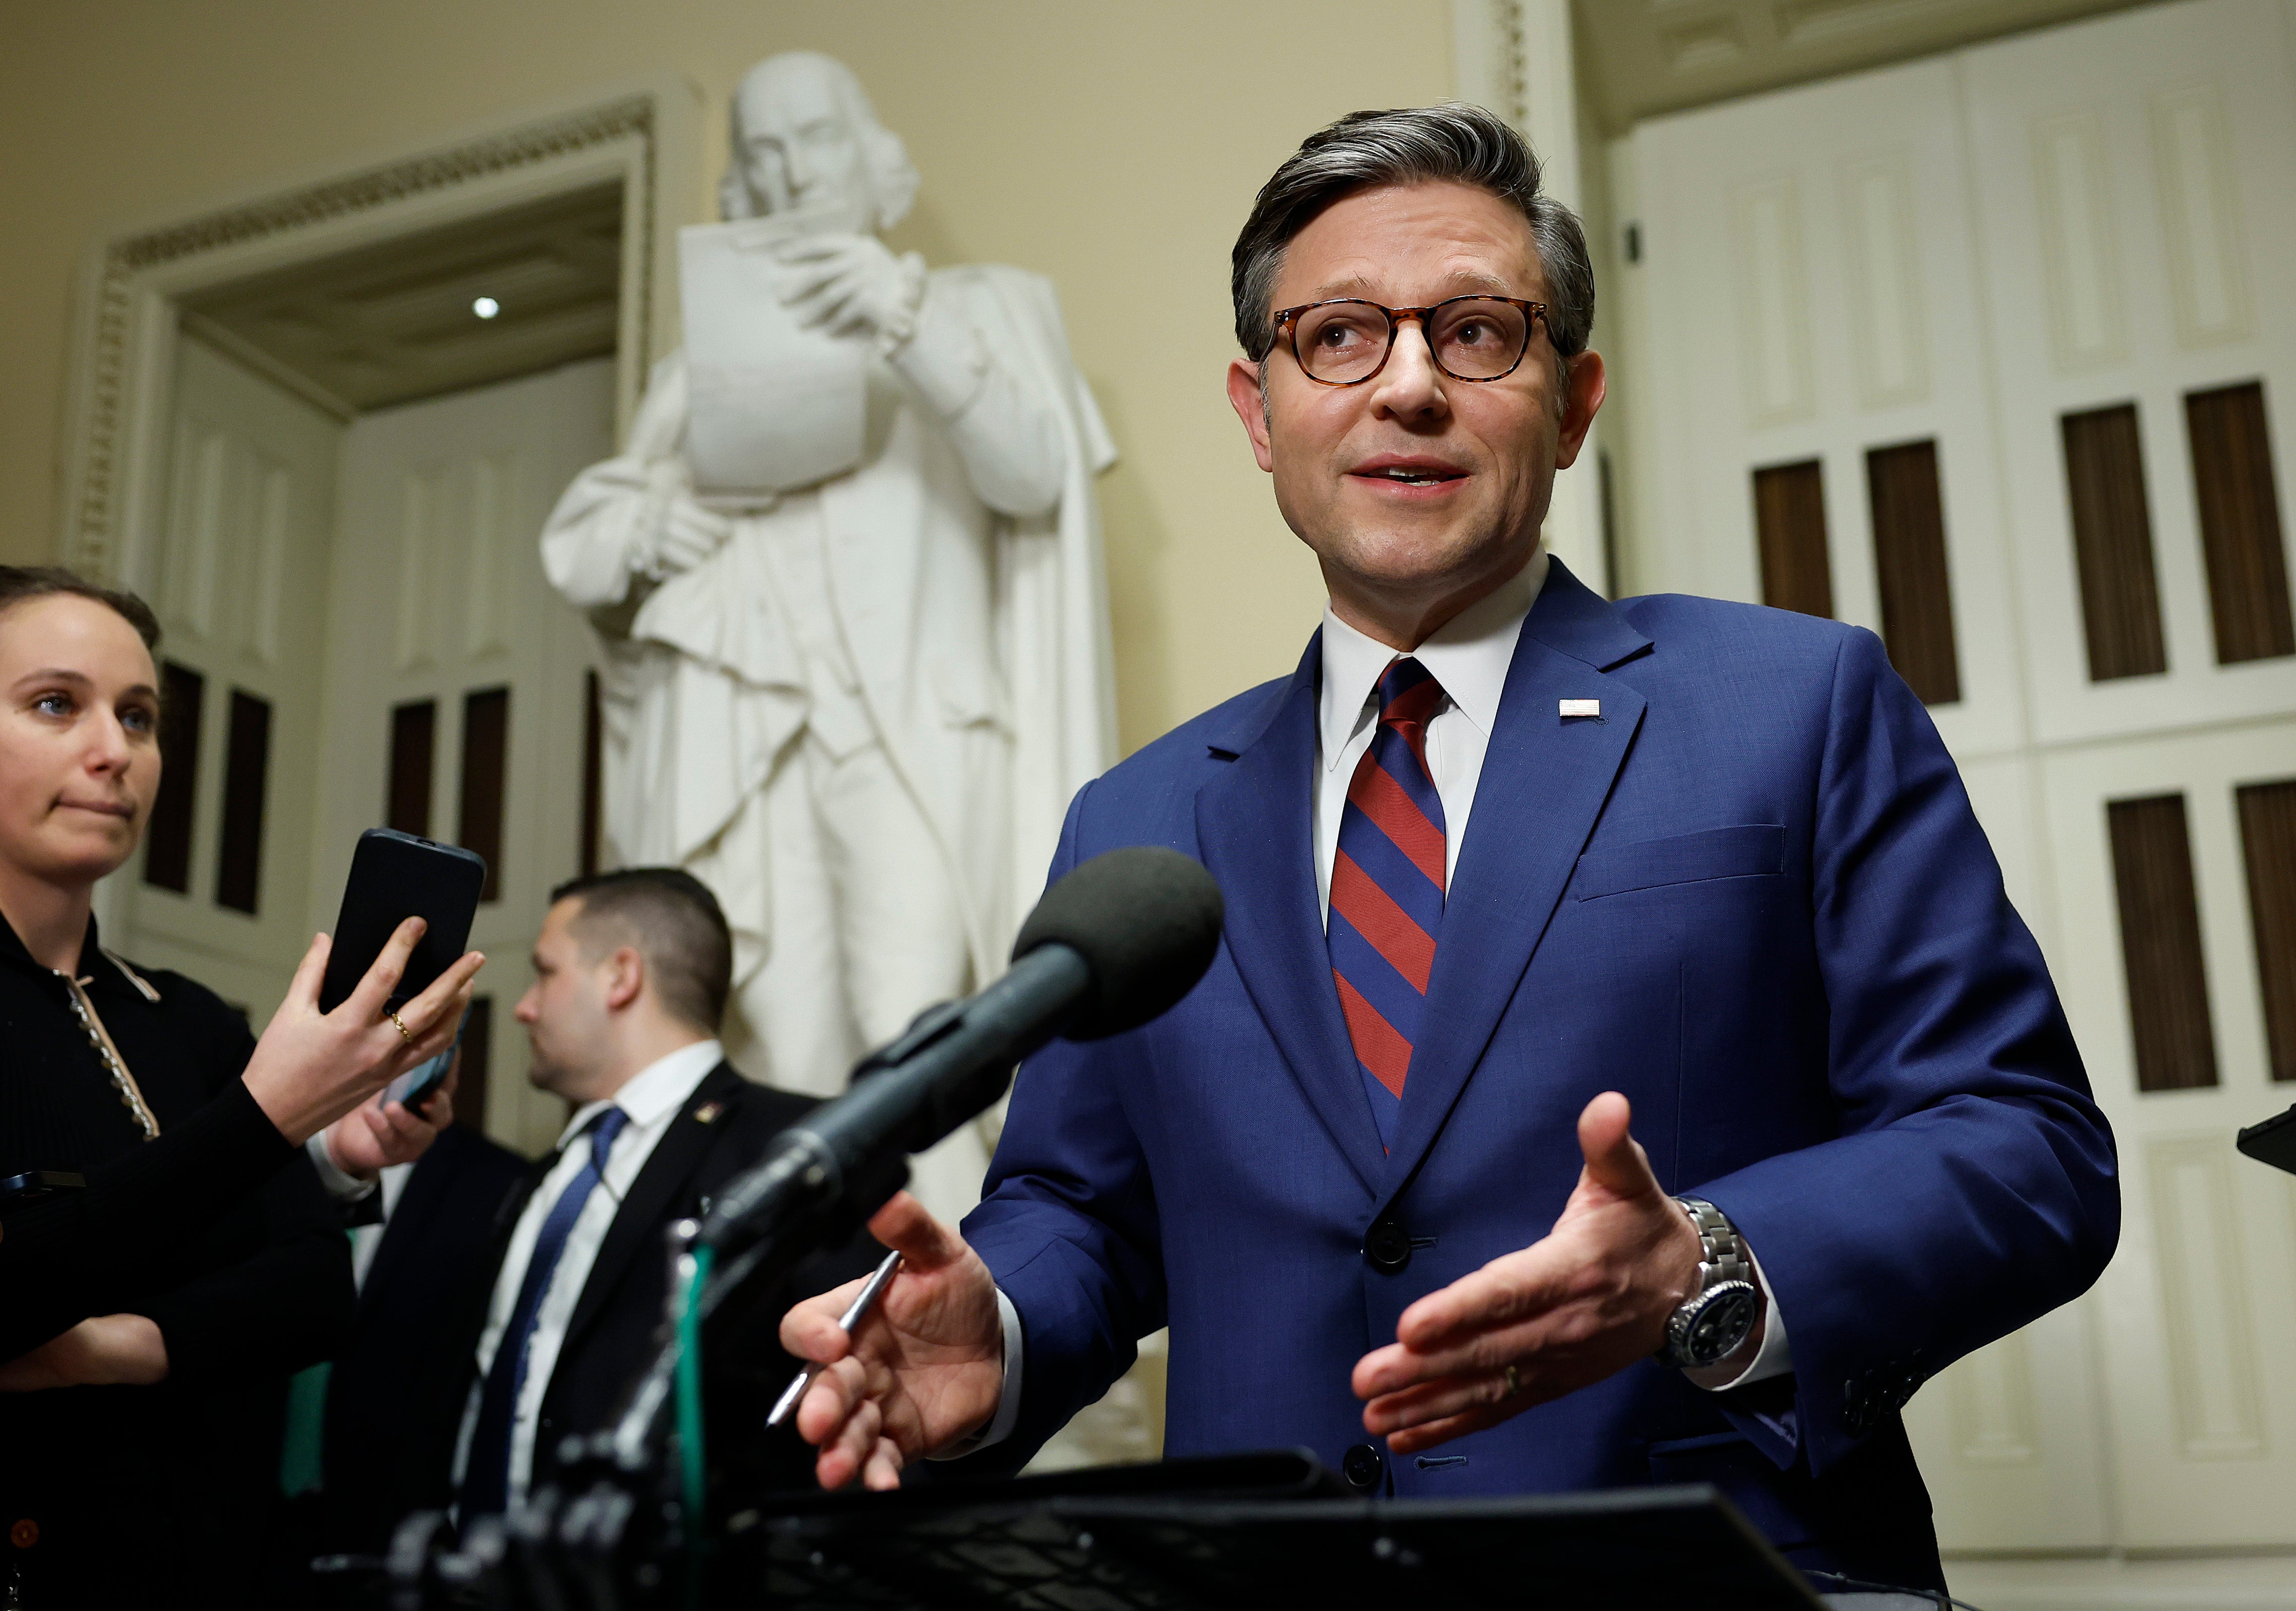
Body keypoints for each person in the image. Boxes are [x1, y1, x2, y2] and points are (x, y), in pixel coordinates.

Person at [777, 106, 2120, 1597]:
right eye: (1338, 335)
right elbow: (1081, 1211)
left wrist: (1706, 1265)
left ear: (1573, 400)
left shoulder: (1793, 704)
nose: (1406, 385)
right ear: (1255, 407)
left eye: (1476, 332)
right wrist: (1004, 1327)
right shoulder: (1140, 817)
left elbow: (2026, 1146)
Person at [539, 50, 1114, 1223]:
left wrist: (907, 323)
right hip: (749, 750)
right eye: (761, 152)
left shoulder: (979, 306)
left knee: (919, 1036)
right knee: (779, 1049)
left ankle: (961, 1336)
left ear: (873, 161)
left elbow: (1035, 476)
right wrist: (659, 521)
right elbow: (594, 559)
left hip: (909, 731)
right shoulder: (689, 373)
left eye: (814, 139)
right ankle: (802, 1340)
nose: (788, 172)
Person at [0, 567, 481, 1610]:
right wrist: (267, 1117)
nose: (114, 750)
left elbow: (314, 1289)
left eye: (139, 717)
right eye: (55, 702)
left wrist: (107, 1348)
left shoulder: (190, 1018)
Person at [394, 868, 877, 1522]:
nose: (523, 1007)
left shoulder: (797, 1150)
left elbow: (845, 1405)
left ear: (621, 976)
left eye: (545, 971)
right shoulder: (540, 1180)